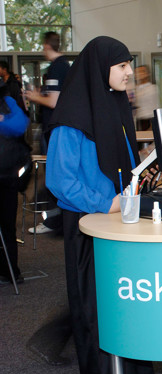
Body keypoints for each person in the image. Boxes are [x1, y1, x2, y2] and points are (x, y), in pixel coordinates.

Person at [45, 36, 154, 374]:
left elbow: (121, 162)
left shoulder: (115, 105)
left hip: (120, 223)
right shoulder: (72, 119)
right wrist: (104, 202)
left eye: (129, 65)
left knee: (124, 304)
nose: (128, 73)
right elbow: (60, 181)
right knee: (96, 311)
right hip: (88, 227)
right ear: (100, 68)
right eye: (121, 66)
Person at [24, 31, 71, 235]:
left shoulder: (57, 68)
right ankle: (57, 220)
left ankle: (54, 222)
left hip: (54, 131)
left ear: (46, 46)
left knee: (54, 177)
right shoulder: (62, 66)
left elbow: (53, 101)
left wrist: (35, 97)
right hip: (55, 130)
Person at [0, 78, 31, 285]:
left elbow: (20, 125)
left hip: (6, 175)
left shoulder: (7, 101)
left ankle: (10, 270)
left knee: (6, 226)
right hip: (6, 172)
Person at [133, 65, 159, 131]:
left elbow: (155, 106)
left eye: (142, 72)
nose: (139, 74)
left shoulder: (152, 88)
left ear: (147, 74)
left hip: (149, 119)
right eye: (137, 72)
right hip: (138, 120)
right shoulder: (134, 89)